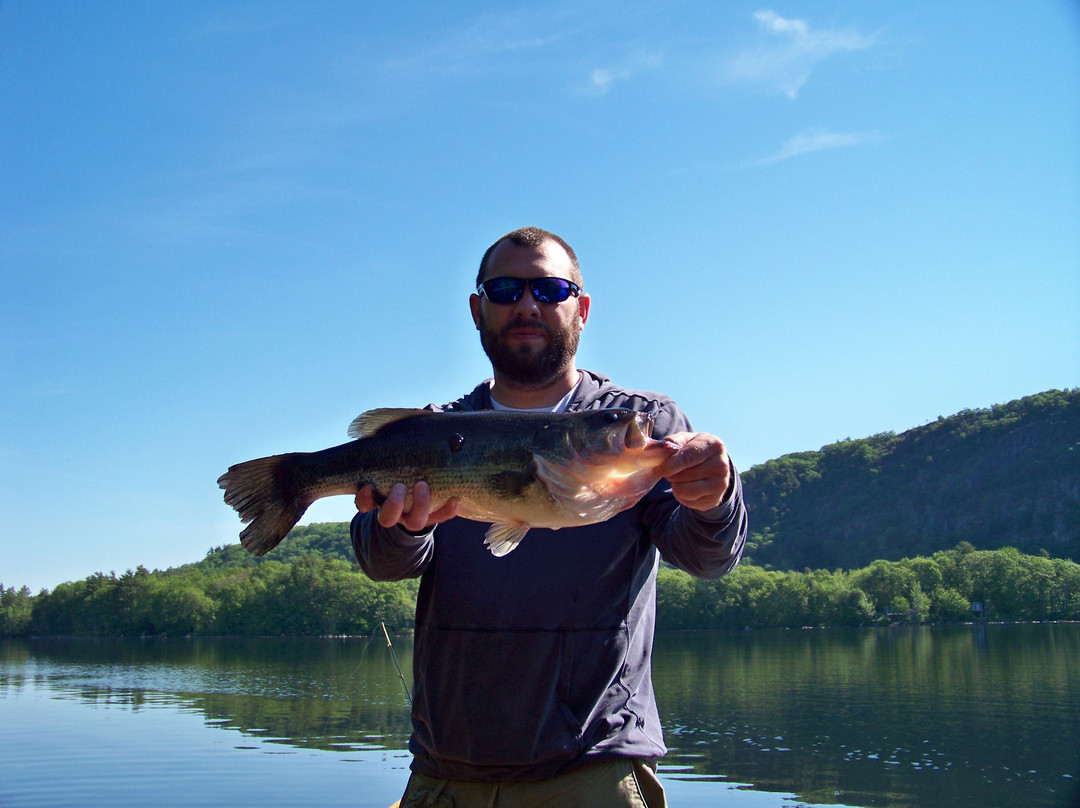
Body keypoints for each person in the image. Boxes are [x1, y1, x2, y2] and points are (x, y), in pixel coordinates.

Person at [352, 227, 747, 808]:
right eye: (506, 289)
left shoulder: (643, 423)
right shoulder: (434, 430)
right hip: (447, 777)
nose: (528, 305)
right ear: (477, 310)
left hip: (593, 772)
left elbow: (708, 556)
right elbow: (378, 559)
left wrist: (715, 497)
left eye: (551, 288)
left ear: (581, 309)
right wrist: (405, 526)